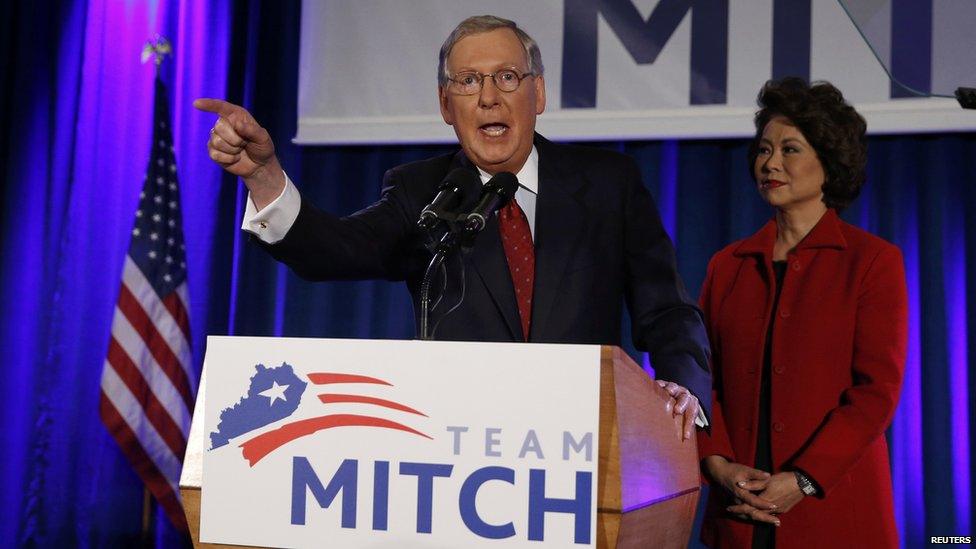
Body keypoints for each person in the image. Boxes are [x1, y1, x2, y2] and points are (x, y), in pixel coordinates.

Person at [195, 15, 711, 434]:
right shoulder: (421, 192)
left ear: (539, 95)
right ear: (446, 105)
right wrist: (265, 177)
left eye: (507, 77)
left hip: (582, 444)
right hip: (459, 453)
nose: (489, 97)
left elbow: (666, 309)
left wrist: (681, 384)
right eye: (468, 81)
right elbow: (335, 249)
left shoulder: (607, 185)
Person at [696, 77, 907, 548]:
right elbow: (700, 381)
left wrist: (805, 479)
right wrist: (718, 464)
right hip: (740, 512)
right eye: (764, 149)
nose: (769, 163)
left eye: (789, 149)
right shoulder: (728, 265)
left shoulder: (872, 261)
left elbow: (876, 392)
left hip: (832, 514)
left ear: (828, 165)